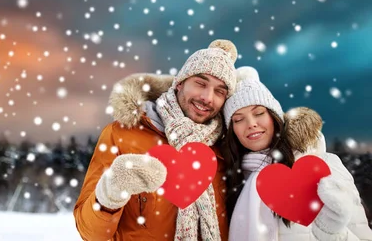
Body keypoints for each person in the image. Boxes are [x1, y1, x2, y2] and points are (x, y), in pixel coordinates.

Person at [74, 39, 238, 241]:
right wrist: (111, 191)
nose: (207, 97)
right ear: (179, 84)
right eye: (200, 83)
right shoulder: (121, 134)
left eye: (219, 91)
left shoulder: (226, 146)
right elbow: (90, 233)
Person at [221, 66, 372, 240]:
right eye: (238, 119)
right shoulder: (233, 180)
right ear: (232, 131)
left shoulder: (323, 165)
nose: (251, 123)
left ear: (274, 117)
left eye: (259, 113)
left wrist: (330, 232)